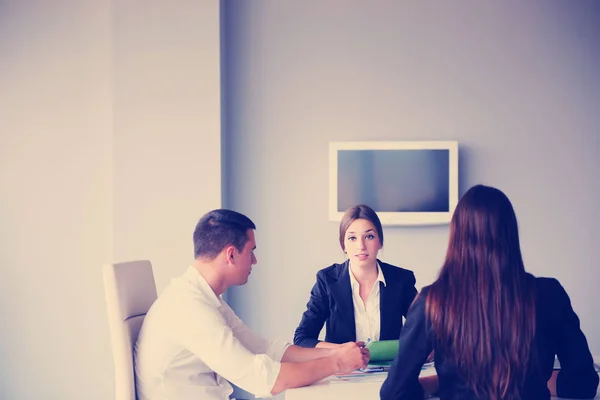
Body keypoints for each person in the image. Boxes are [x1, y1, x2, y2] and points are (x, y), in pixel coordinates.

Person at [380, 184, 599, 400]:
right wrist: (538, 379)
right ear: (510, 234)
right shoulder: (550, 295)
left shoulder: (433, 301)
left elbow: (393, 393)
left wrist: (442, 383)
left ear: (457, 236)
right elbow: (584, 384)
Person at [134, 209, 369, 400]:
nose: (255, 260)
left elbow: (266, 349)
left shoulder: (203, 298)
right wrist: (337, 363)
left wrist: (334, 351)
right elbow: (263, 379)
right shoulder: (189, 308)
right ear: (231, 255)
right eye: (251, 251)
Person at [294, 204, 418, 348]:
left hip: (391, 369)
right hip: (343, 369)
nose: (361, 246)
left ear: (380, 242)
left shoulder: (401, 280)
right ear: (343, 245)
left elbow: (426, 331)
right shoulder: (327, 281)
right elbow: (302, 338)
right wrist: (341, 350)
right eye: (352, 238)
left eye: (369, 236)